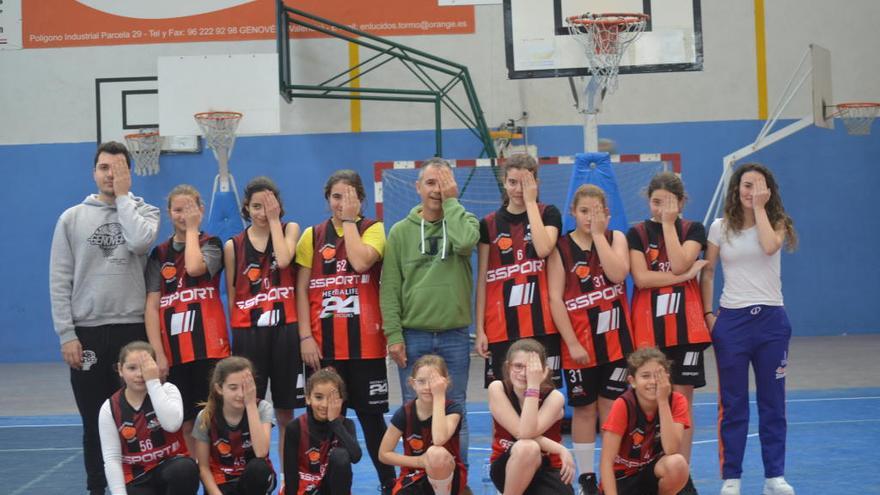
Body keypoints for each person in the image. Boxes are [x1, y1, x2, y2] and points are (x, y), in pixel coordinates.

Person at [50, 141, 160, 495]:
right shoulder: (71, 219)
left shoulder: (146, 212)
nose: (111, 175)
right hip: (89, 333)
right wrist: (67, 333)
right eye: (104, 168)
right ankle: (98, 489)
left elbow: (140, 243)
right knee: (94, 421)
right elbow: (59, 278)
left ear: (130, 172)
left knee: (140, 418)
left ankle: (140, 487)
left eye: (119, 168)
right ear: (94, 172)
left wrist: (125, 199)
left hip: (133, 331)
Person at [295, 170, 396, 492]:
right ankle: (325, 485)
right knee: (324, 420)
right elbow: (302, 290)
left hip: (365, 346)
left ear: (361, 199)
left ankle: (387, 483)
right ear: (327, 200)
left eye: (349, 196)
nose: (342, 203)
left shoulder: (374, 229)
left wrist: (351, 222)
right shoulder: (311, 235)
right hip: (324, 347)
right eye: (337, 197)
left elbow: (362, 262)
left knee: (371, 419)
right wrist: (305, 336)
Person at [700, 163, 798, 495]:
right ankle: (732, 478)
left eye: (757, 186)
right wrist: (709, 314)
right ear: (736, 189)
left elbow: (770, 247)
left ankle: (774, 477)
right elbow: (709, 272)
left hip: (771, 321)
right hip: (733, 322)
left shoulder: (777, 222)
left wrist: (760, 208)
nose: (750, 190)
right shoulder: (718, 227)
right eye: (745, 185)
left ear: (768, 191)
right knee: (733, 402)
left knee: (773, 402)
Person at [380, 158, 480, 470]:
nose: (437, 190)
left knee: (456, 408)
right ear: (418, 187)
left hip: (454, 335)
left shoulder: (466, 221)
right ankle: (414, 479)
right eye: (431, 183)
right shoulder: (399, 232)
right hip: (413, 336)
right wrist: (394, 336)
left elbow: (465, 242)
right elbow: (390, 287)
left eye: (445, 183)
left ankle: (457, 480)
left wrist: (452, 202)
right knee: (413, 411)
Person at [547, 184, 634, 495]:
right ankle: (586, 477)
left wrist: (599, 235)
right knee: (584, 410)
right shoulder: (560, 247)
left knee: (611, 408)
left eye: (596, 212)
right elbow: (556, 299)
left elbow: (618, 275)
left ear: (606, 214)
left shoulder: (616, 238)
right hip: (580, 344)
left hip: (615, 342)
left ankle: (610, 471)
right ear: (573, 212)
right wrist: (571, 342)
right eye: (584, 211)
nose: (589, 217)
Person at [627, 172, 711, 494]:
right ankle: (651, 469)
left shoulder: (694, 229)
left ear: (682, 202)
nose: (661, 208)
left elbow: (676, 263)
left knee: (680, 403)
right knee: (649, 400)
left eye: (669, 203)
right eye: (656, 202)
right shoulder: (635, 233)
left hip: (686, 330)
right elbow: (642, 279)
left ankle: (681, 474)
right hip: (650, 330)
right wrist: (686, 275)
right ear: (648, 200)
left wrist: (667, 225)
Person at [145, 184, 230, 455]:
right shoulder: (159, 255)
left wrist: (192, 230)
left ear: (201, 210)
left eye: (190, 209)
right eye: (178, 210)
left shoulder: (212, 244)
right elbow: (151, 306)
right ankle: (195, 472)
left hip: (210, 349)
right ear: (169, 213)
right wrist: (158, 354)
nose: (183, 215)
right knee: (185, 422)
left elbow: (194, 268)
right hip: (176, 352)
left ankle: (215, 476)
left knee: (212, 419)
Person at [224, 176, 303, 463]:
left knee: (285, 412)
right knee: (251, 406)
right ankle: (255, 473)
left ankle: (286, 480)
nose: (262, 211)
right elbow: (233, 294)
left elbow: (283, 259)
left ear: (279, 206)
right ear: (246, 208)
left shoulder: (289, 229)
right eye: (256, 206)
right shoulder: (234, 245)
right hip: (250, 333)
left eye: (269, 205)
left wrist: (273, 221)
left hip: (285, 331)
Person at [475, 153, 563, 388]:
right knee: (503, 396)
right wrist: (480, 329)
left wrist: (531, 202)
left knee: (545, 394)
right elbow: (483, 279)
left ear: (536, 184)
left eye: (525, 183)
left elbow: (544, 248)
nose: (518, 189)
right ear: (504, 182)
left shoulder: (549, 213)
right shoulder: (488, 224)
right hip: (501, 327)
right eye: (513, 182)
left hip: (543, 327)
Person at [98, 341, 199, 495]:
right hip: (137, 477)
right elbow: (112, 458)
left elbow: (172, 425)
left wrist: (153, 381)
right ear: (120, 369)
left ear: (154, 368)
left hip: (170, 468)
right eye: (132, 368)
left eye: (145, 368)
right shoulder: (109, 408)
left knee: (185, 469)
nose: (139, 374)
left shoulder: (168, 390)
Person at [487, 338, 575, 495]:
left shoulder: (554, 398)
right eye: (518, 366)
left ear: (544, 371)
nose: (523, 373)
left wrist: (533, 387)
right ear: (508, 367)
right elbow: (524, 434)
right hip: (507, 464)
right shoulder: (498, 388)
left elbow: (526, 432)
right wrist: (560, 449)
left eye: (531, 368)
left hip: (547, 467)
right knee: (528, 447)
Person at [599, 347, 690, 495]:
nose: (653, 382)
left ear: (667, 377)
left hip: (650, 474)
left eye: (658, 375)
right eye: (645, 376)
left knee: (677, 464)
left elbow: (671, 449)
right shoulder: (623, 404)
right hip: (622, 478)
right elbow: (606, 461)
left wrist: (662, 402)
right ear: (632, 381)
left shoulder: (676, 401)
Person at [379, 355, 467, 495]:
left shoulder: (452, 409)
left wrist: (439, 396)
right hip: (415, 474)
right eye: (421, 381)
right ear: (412, 384)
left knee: (436, 453)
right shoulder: (405, 413)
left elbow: (439, 439)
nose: (427, 387)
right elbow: (384, 454)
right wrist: (419, 461)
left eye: (434, 382)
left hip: (448, 475)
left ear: (445, 382)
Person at [194, 356, 275, 495]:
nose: (240, 394)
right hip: (222, 480)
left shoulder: (262, 407)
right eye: (233, 388)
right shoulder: (205, 416)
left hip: (253, 478)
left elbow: (261, 452)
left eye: (245, 387)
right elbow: (203, 467)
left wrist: (250, 405)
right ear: (219, 388)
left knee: (259, 467)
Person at [283, 368, 363, 495]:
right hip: (304, 488)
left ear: (341, 400)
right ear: (308, 398)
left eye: (331, 399)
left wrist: (334, 422)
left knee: (340, 455)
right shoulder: (295, 427)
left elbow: (356, 456)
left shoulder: (345, 424)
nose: (325, 405)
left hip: (331, 488)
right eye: (319, 397)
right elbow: (290, 473)